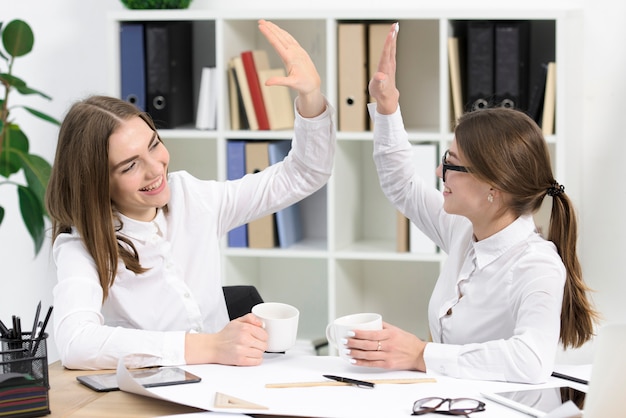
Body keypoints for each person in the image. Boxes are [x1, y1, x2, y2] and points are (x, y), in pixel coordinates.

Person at [45, 20, 335, 370]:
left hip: (225, 386)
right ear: (96, 183)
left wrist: (311, 97)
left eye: (154, 145)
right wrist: (208, 348)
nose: (155, 169)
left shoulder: (191, 198)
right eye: (130, 166)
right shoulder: (81, 247)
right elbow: (77, 343)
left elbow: (305, 173)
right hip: (154, 396)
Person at [345, 22, 597, 383]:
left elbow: (531, 361)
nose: (438, 171)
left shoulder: (537, 265)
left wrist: (421, 354)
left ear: (493, 185)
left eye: (450, 163)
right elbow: (401, 184)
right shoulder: (465, 230)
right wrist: (386, 108)